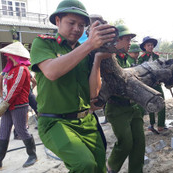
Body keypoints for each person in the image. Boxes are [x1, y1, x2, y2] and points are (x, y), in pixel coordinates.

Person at [30, 0, 116, 172]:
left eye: (82, 25)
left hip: (87, 121)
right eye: (72, 23)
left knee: (99, 167)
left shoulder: (85, 51)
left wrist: (97, 58)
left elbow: (93, 93)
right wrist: (89, 45)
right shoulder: (43, 43)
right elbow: (52, 72)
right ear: (57, 21)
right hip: (55, 122)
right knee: (84, 165)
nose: (77, 29)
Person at [105, 25, 145, 173]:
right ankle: (111, 168)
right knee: (125, 143)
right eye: (127, 39)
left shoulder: (126, 59)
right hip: (117, 108)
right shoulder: (107, 58)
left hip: (133, 107)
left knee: (139, 143)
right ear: (117, 40)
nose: (130, 43)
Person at [0, 41, 37, 169]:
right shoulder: (11, 70)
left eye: (9, 55)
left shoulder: (21, 69)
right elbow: (4, 85)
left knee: (21, 130)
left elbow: (16, 88)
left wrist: (5, 103)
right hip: (8, 104)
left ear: (15, 56)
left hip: (19, 104)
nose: (7, 57)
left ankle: (32, 155)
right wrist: (3, 99)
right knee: (3, 131)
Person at [138, 36, 167, 133]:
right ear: (144, 47)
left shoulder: (157, 57)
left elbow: (161, 68)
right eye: (148, 45)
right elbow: (139, 71)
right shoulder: (141, 58)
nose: (150, 47)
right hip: (148, 84)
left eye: (152, 45)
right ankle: (151, 124)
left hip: (158, 83)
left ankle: (161, 125)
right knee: (150, 104)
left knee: (161, 102)